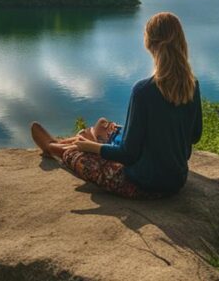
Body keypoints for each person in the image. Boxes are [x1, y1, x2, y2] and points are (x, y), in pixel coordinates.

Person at [30, 11, 203, 198]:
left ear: (148, 43)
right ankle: (63, 142)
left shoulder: (144, 91)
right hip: (176, 179)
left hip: (144, 183)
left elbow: (128, 155)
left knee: (84, 157)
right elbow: (194, 135)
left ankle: (54, 148)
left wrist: (90, 147)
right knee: (105, 126)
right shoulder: (192, 86)